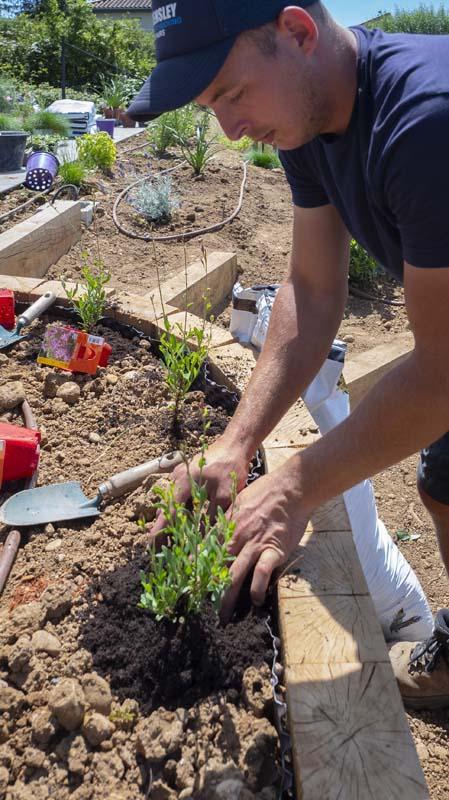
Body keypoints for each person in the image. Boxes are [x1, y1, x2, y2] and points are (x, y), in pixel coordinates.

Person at [128, 0, 449, 709]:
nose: (230, 130)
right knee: (441, 485)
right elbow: (307, 294)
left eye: (232, 93)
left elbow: (441, 375)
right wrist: (234, 446)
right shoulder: (310, 121)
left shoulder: (425, 123)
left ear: (298, 32)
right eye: (213, 106)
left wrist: (293, 486)